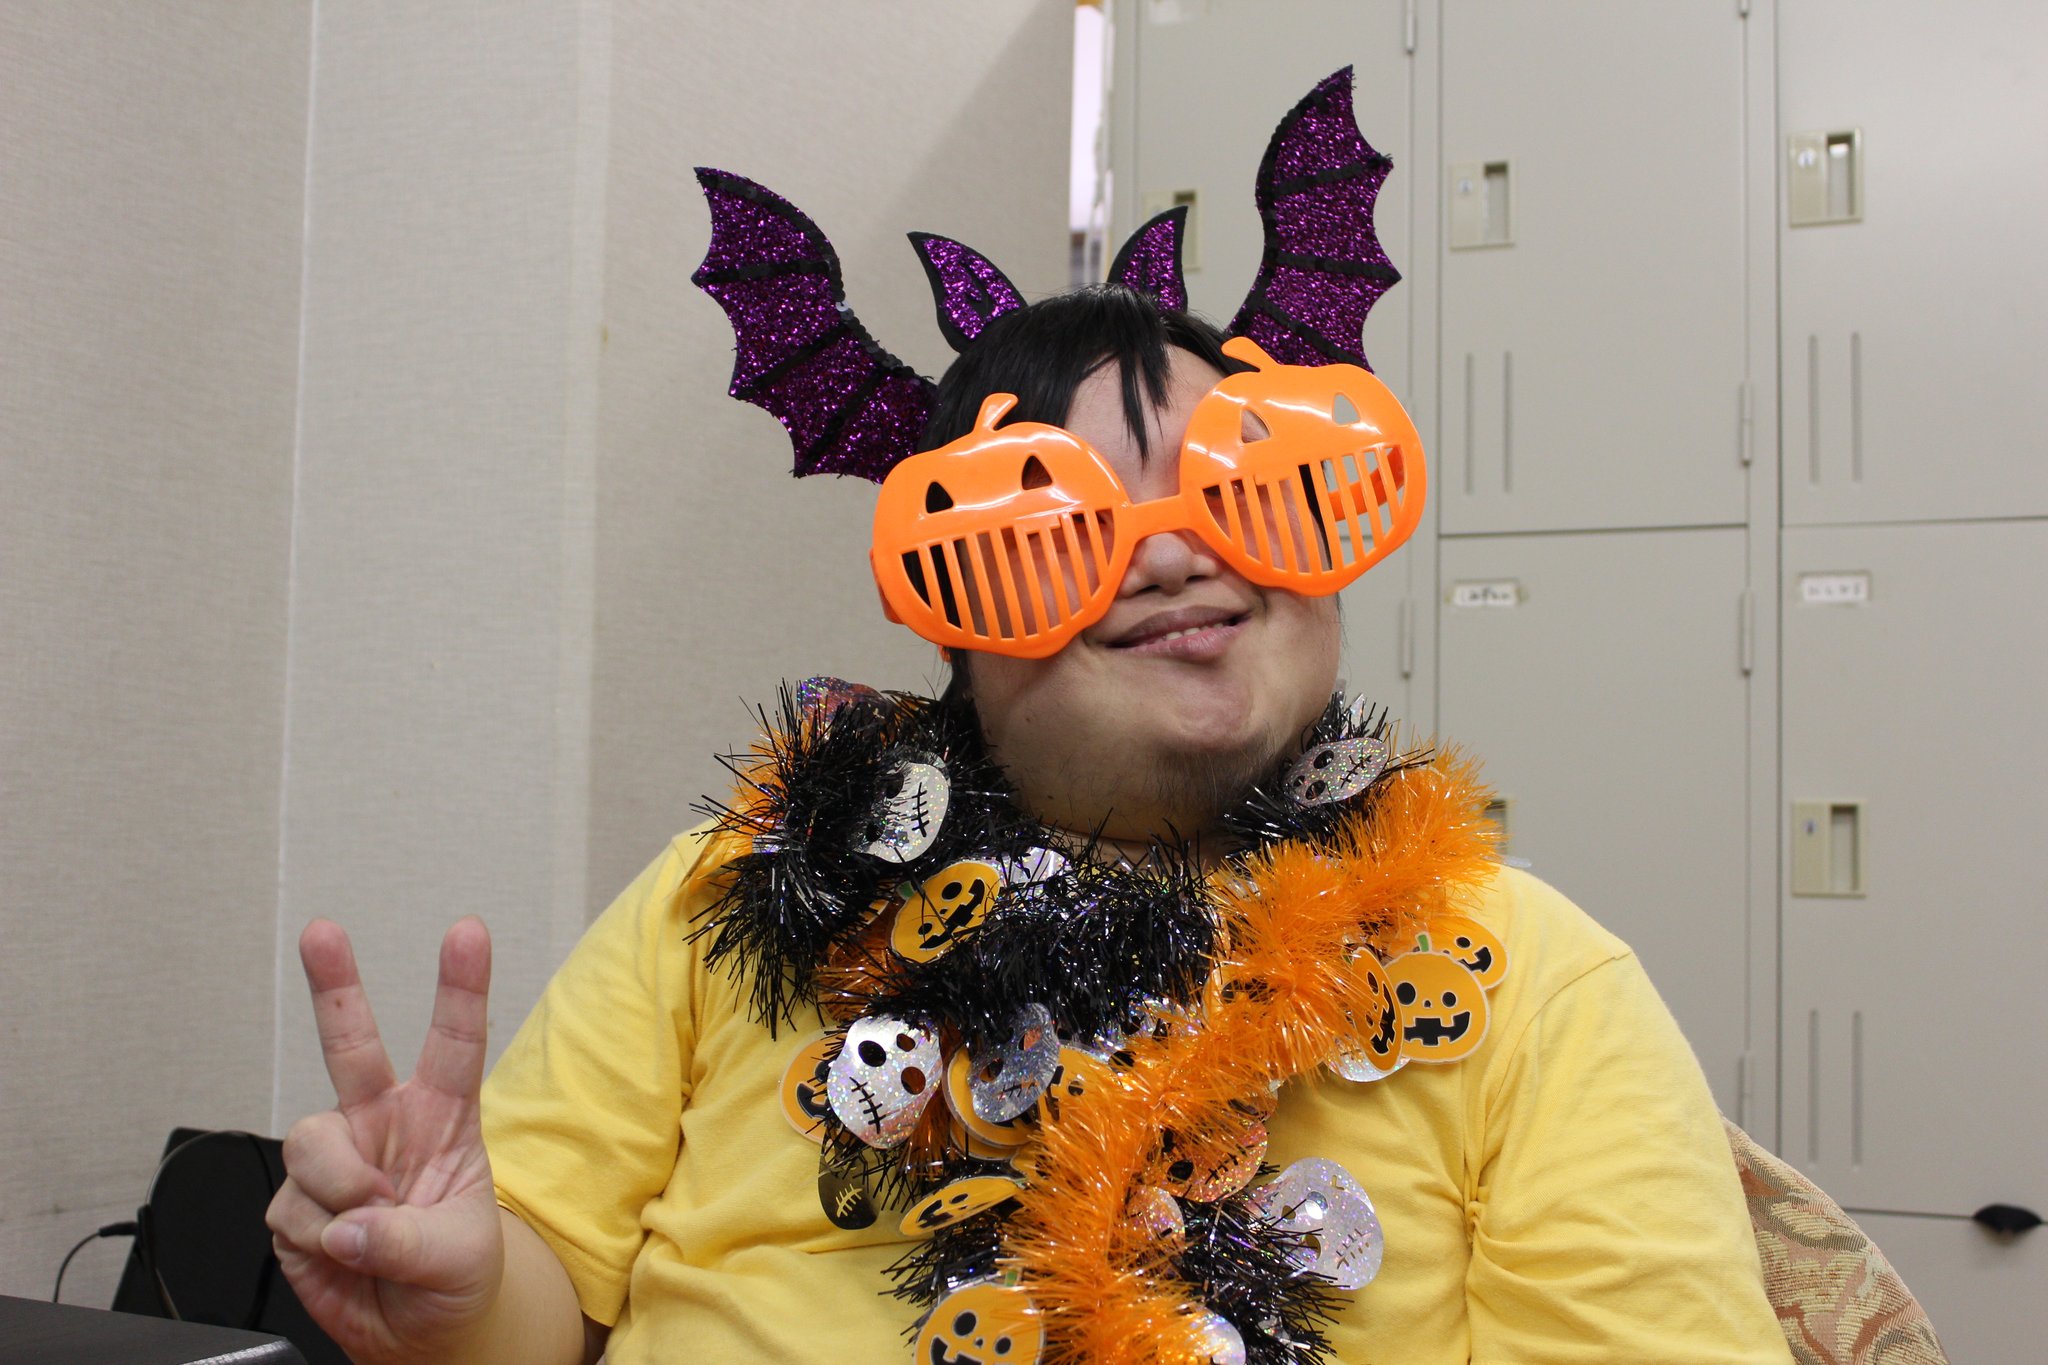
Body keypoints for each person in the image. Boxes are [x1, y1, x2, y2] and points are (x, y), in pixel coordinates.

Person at [266, 282, 1793, 1364]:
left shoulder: (1529, 980)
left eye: (1243, 485)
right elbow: (536, 1309)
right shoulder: (738, 893)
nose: (1174, 554)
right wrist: (461, 1292)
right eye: (1057, 523)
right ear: (951, 610)